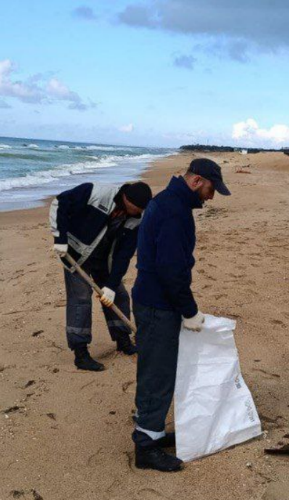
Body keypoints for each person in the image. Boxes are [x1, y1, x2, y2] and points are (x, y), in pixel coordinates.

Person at [130, 158, 231, 472]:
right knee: (157, 373)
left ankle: (153, 431)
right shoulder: (174, 210)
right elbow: (171, 269)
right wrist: (190, 311)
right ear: (197, 181)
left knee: (157, 369)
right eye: (211, 189)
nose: (211, 197)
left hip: (154, 300)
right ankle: (146, 446)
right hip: (157, 304)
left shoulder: (169, 201)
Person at [50, 180, 153, 371]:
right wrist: (60, 238)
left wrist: (111, 286)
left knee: (119, 295)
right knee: (81, 298)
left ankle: (122, 339)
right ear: (125, 198)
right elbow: (60, 203)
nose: (137, 213)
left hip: (104, 260)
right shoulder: (96, 193)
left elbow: (124, 254)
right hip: (75, 254)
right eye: (134, 208)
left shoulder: (138, 218)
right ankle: (80, 353)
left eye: (140, 210)